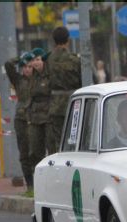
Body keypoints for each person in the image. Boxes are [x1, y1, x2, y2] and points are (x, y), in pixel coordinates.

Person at [47, 26, 82, 155]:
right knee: (76, 140)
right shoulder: (75, 60)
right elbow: (86, 80)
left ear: (54, 41)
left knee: (60, 142)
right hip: (75, 105)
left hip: (55, 106)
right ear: (68, 40)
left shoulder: (48, 60)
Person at [5, 52, 34, 189]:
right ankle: (30, 184)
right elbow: (8, 65)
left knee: (36, 153)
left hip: (36, 119)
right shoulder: (18, 80)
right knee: (24, 153)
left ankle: (38, 182)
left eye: (30, 66)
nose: (27, 69)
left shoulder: (39, 79)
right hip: (21, 120)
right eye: (25, 67)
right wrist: (21, 58)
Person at [27, 47, 50, 176]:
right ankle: (37, 177)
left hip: (48, 117)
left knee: (52, 149)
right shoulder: (32, 77)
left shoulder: (49, 74)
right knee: (34, 151)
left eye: (38, 59)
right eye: (33, 60)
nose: (35, 63)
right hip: (35, 117)